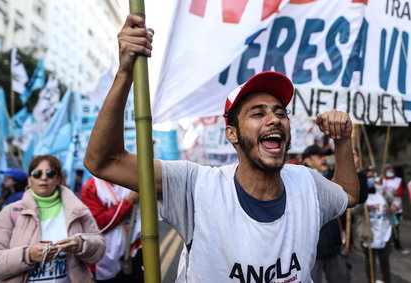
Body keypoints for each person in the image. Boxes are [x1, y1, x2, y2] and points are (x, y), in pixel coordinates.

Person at [84, 14, 359, 282]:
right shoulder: (197, 187)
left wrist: (343, 140)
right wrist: (124, 73)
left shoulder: (307, 183)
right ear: (232, 133)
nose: (274, 119)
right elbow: (103, 161)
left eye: (280, 112)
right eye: (258, 113)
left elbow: (347, 193)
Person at [0, 155, 105, 282]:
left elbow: (99, 251)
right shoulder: (10, 212)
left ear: (58, 178)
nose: (44, 177)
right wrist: (28, 255)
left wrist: (80, 244)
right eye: (37, 173)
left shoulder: (78, 210)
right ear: (29, 179)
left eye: (50, 173)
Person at [302, 144, 350, 283]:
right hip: (310, 252)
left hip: (333, 248)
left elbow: (354, 198)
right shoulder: (297, 182)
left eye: (325, 156)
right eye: (319, 156)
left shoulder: (333, 179)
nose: (324, 159)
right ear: (308, 160)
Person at [81, 177, 143, 282]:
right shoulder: (92, 186)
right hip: (104, 258)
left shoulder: (134, 180)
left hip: (134, 251)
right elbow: (98, 224)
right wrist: (128, 202)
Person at [354, 166, 400, 283]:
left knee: (385, 261)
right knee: (370, 263)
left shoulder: (381, 189)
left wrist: (395, 205)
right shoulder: (359, 194)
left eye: (372, 176)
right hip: (368, 235)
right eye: (367, 177)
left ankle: (387, 280)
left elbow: (395, 199)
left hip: (385, 233)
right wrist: (360, 200)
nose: (370, 179)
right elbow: (353, 211)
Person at [379, 164, 406, 252]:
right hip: (386, 208)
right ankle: (388, 243)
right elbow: (378, 189)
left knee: (396, 226)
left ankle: (397, 243)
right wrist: (380, 180)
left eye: (391, 170)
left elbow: (400, 192)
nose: (390, 172)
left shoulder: (398, 180)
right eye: (388, 171)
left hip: (396, 208)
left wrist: (388, 193)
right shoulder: (382, 180)